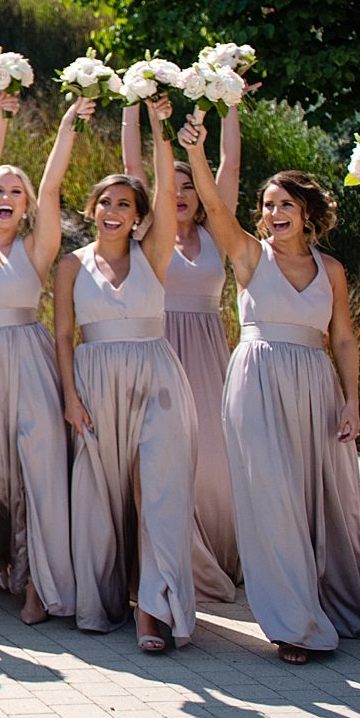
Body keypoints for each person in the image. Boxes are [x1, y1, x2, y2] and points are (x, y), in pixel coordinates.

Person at [178, 122, 360, 664]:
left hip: (315, 383)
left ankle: (327, 599)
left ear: (308, 211)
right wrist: (197, 152)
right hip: (257, 379)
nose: (274, 212)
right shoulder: (249, 257)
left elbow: (342, 338)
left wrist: (352, 400)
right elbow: (216, 209)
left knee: (318, 498)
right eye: (268, 204)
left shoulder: (332, 269)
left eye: (285, 203)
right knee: (270, 500)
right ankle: (292, 624)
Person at [55, 98, 196, 654]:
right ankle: (101, 597)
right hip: (93, 380)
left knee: (154, 490)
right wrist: (70, 395)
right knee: (100, 495)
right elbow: (63, 335)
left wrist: (160, 126)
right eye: (105, 202)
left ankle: (152, 610)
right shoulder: (71, 264)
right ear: (93, 210)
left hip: (155, 378)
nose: (114, 210)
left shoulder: (153, 252)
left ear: (140, 215)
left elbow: (165, 187)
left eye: (124, 204)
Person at [0, 101, 86, 624]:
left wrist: (66, 125)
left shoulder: (36, 248)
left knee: (40, 470)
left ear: (26, 205)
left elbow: (52, 188)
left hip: (29, 361)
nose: (7, 196)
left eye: (16, 191)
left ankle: (40, 587)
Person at [125, 99, 245, 603]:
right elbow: (135, 166)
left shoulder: (221, 234)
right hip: (158, 350)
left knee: (216, 464)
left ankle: (217, 554)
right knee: (163, 460)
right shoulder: (151, 234)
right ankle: (165, 560)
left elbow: (231, 169)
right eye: (171, 184)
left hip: (208, 353)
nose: (181, 192)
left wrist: (231, 106)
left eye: (190, 184)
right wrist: (139, 108)